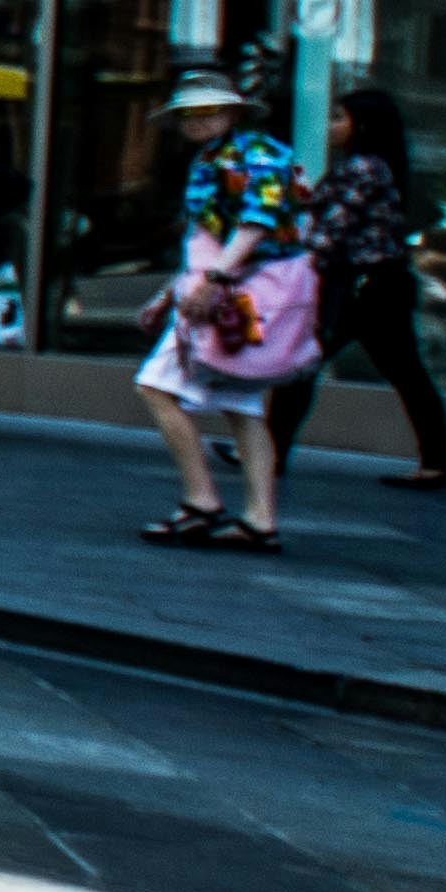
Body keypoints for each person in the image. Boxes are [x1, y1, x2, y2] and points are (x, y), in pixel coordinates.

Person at [132, 64, 314, 548]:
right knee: (243, 408)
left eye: (208, 110)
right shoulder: (217, 157)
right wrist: (171, 293)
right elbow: (206, 238)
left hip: (235, 295)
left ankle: (202, 502)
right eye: (188, 113)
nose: (197, 120)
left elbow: (255, 221)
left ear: (233, 110)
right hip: (235, 296)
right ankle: (259, 520)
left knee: (155, 386)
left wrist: (209, 282)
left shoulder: (256, 153)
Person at [284, 79, 446, 489]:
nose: (332, 125)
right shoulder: (363, 166)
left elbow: (335, 227)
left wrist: (302, 264)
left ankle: (265, 450)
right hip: (376, 284)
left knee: (306, 361)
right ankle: (438, 463)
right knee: (400, 374)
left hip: (370, 287)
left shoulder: (365, 168)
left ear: (361, 125)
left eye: (339, 117)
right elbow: (325, 209)